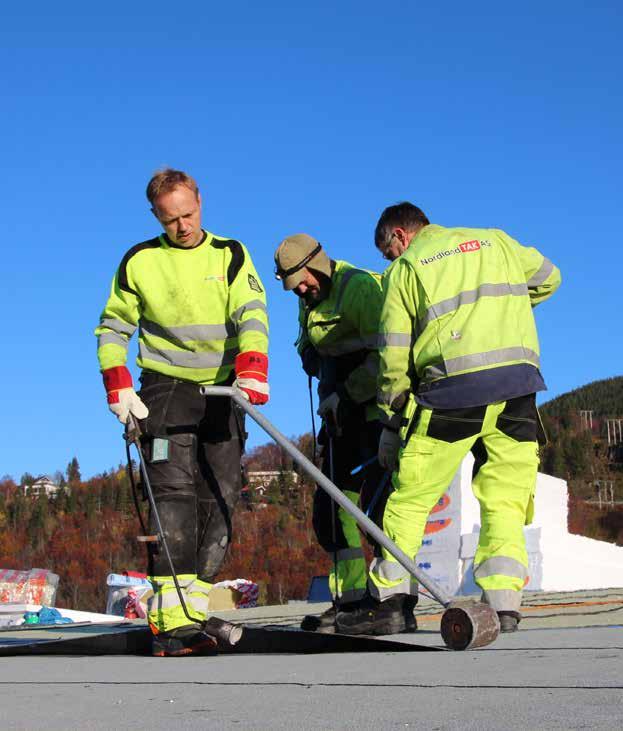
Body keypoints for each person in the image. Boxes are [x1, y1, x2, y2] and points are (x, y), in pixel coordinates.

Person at [337, 202, 561, 635]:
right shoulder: (497, 240)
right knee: (506, 496)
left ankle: (391, 603)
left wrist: (390, 419)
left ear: (399, 237)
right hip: (517, 385)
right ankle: (503, 604)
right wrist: (500, 313)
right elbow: (550, 278)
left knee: (410, 497)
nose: (390, 261)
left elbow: (393, 354)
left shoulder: (407, 269)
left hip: (451, 391)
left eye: (388, 253)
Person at [95, 168, 269, 656]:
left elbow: (251, 312)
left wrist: (253, 367)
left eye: (189, 214)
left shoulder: (230, 254)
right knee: (172, 492)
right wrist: (118, 386)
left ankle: (195, 606)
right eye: (171, 219)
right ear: (157, 217)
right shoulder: (140, 260)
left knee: (222, 489)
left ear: (200, 203)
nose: (183, 227)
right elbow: (112, 327)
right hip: (165, 387)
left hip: (224, 387)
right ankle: (171, 620)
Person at [274, 234, 416, 634]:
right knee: (332, 511)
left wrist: (349, 394)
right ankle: (350, 600)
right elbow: (307, 343)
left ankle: (394, 601)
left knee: (380, 508)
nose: (301, 291)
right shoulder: (310, 300)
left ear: (318, 265)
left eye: (303, 281)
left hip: (375, 416)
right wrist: (311, 358)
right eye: (293, 287)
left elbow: (391, 356)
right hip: (340, 421)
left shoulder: (361, 290)